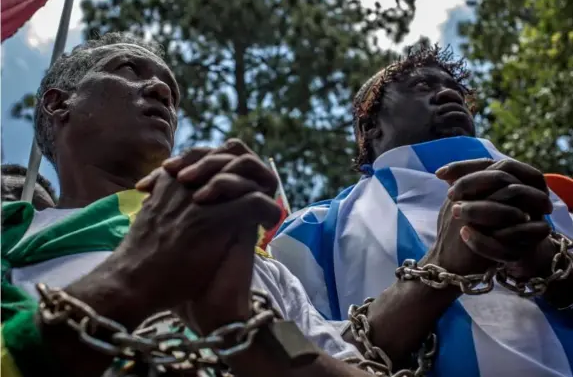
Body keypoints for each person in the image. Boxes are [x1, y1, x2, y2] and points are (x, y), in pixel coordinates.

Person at [2, 31, 407, 377]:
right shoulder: (13, 234)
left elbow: (331, 358)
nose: (162, 92)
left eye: (172, 93)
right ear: (58, 105)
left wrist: (248, 329)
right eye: (127, 70)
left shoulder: (250, 262)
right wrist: (130, 280)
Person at [270, 45, 573, 376]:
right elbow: (289, 352)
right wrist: (439, 271)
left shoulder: (552, 201)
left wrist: (546, 262)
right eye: (422, 86)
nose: (447, 94)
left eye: (454, 89)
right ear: (369, 127)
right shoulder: (312, 230)